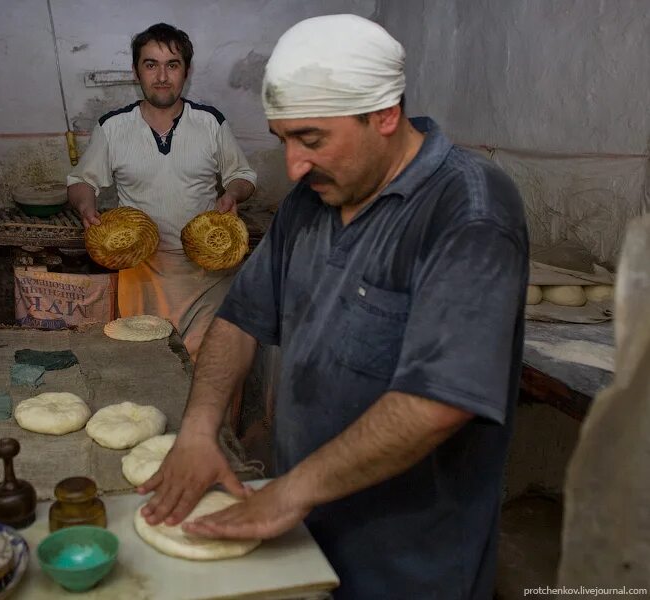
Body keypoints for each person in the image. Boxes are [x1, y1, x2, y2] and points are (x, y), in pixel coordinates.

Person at [139, 14, 529, 600]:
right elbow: (242, 319)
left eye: (312, 139)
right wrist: (198, 430)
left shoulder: (467, 210)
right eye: (283, 140)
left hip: (410, 562)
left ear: (385, 116)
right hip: (304, 534)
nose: (293, 166)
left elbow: (438, 402)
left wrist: (288, 492)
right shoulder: (312, 200)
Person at [67, 23, 257, 359]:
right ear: (136, 71)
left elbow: (242, 175)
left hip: (206, 272)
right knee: (148, 365)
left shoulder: (210, 122)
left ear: (187, 71)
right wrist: (86, 206)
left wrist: (233, 193)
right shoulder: (113, 126)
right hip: (142, 272)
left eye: (172, 65)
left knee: (208, 366)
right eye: (150, 64)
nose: (162, 76)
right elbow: (82, 180)